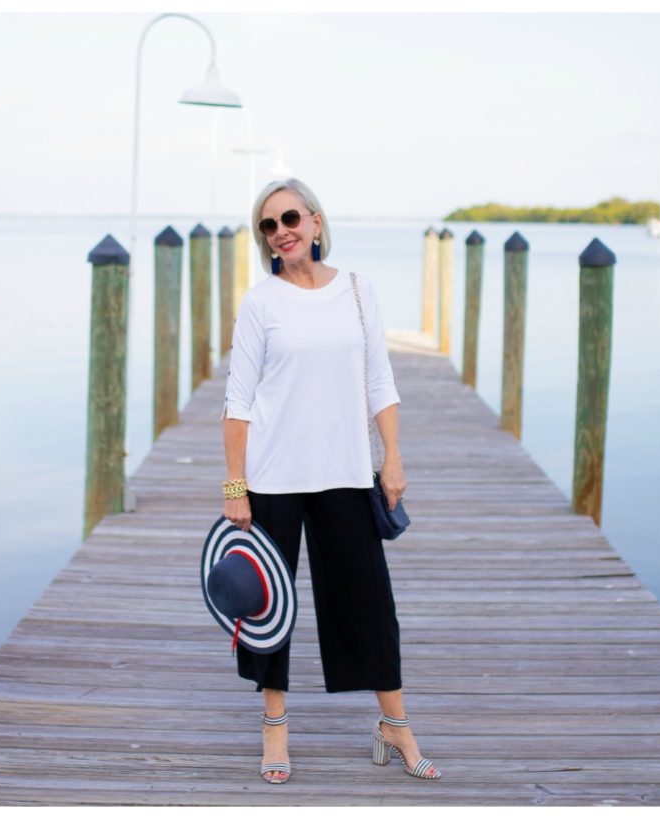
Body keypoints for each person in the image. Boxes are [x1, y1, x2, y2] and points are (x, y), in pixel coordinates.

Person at [220, 178, 441, 784]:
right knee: (271, 607)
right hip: (273, 475)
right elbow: (238, 400)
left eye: (290, 217)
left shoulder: (357, 291)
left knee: (368, 600)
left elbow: (381, 382)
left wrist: (392, 455)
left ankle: (394, 724)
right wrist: (236, 484)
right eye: (268, 224)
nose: (281, 230)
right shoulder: (260, 302)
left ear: (315, 221)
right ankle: (274, 724)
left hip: (343, 471)